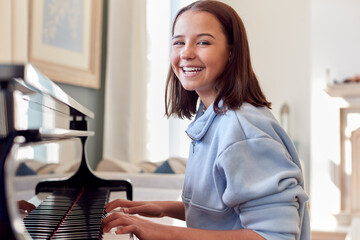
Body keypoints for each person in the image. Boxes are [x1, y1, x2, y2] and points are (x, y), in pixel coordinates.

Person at [102, 1, 310, 239]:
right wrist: (165, 208)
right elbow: (227, 211)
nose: (186, 53)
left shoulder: (241, 130)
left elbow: (274, 236)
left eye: (203, 42)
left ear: (232, 52)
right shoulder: (212, 115)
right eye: (178, 42)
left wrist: (162, 232)